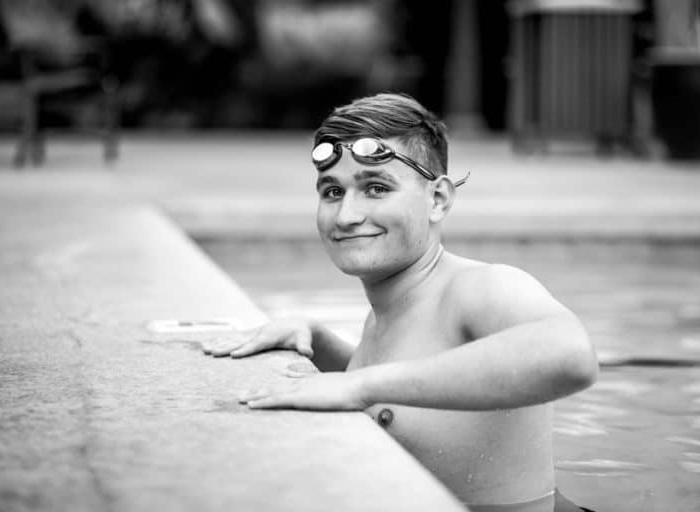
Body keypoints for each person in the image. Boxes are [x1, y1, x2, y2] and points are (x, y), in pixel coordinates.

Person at [202, 93, 598, 511]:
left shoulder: (481, 287)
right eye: (332, 192)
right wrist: (319, 343)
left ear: (438, 200)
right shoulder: (387, 315)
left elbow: (571, 356)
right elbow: (412, 401)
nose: (346, 216)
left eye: (376, 188)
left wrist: (359, 384)